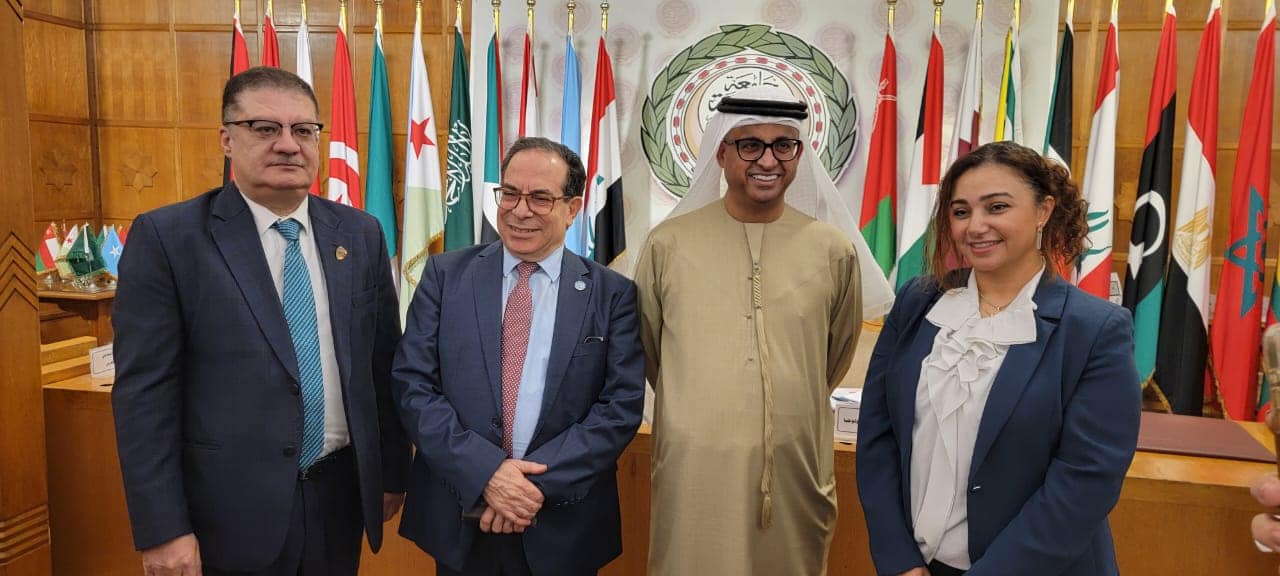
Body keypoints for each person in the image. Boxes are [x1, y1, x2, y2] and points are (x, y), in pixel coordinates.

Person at [111, 67, 410, 575]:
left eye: (303, 130)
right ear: (227, 139)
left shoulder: (360, 233)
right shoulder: (169, 238)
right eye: (265, 128)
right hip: (226, 514)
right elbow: (145, 396)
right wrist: (163, 528)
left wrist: (391, 472)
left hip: (339, 500)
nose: (288, 145)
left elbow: (382, 364)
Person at [633, 86, 894, 575]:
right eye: (750, 144)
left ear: (799, 154)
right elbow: (650, 349)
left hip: (795, 465)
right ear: (722, 153)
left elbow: (832, 357)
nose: (768, 160)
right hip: (695, 467)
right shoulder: (668, 244)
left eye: (783, 145)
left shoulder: (832, 250)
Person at [856, 141, 1141, 576]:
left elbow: (1085, 480)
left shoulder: (1096, 329)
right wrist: (900, 560)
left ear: (1043, 210)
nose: (976, 226)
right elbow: (878, 435)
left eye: (997, 207)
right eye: (961, 211)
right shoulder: (918, 301)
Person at [392, 136, 645, 576]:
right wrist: (487, 475)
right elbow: (413, 386)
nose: (519, 210)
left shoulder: (612, 294)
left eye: (540, 198)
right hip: (460, 517)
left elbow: (619, 408)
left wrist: (525, 489)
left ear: (572, 208)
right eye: (510, 193)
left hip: (564, 525)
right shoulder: (445, 276)